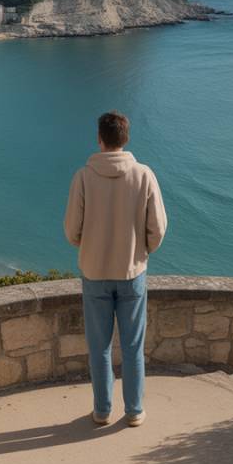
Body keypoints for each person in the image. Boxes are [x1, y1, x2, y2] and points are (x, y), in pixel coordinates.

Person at [63, 111, 167, 427]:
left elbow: (72, 230)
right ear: (126, 138)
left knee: (99, 348)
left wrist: (88, 245)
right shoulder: (144, 175)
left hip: (95, 273)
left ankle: (102, 410)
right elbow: (158, 228)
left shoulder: (83, 176)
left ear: (100, 139)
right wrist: (142, 251)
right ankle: (134, 411)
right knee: (133, 347)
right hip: (132, 273)